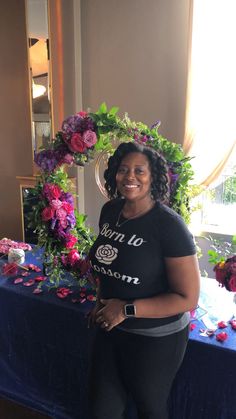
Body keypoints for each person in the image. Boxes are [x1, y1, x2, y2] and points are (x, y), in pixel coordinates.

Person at [88, 141, 200, 419]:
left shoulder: (169, 226)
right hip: (111, 330)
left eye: (140, 170)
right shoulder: (110, 211)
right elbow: (108, 263)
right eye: (123, 169)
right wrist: (100, 301)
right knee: (102, 410)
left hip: (155, 339)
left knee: (150, 409)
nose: (130, 177)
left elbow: (188, 298)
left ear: (153, 177)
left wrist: (125, 309)